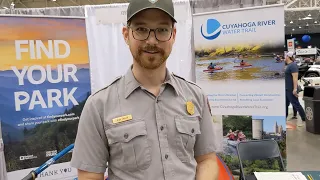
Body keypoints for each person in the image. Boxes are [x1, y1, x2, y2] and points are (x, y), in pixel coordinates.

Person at [70, 0, 219, 179]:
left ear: (173, 35)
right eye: (141, 29)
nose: (151, 40)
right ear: (126, 35)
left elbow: (207, 160)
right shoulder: (98, 106)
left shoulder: (196, 96)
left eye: (162, 30)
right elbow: (89, 176)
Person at [285, 51, 306, 126]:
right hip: (286, 89)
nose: (284, 57)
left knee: (296, 104)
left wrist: (295, 89)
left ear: (288, 57)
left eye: (285, 56)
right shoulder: (288, 65)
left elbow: (295, 78)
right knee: (285, 105)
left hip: (291, 89)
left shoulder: (293, 65)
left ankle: (304, 118)